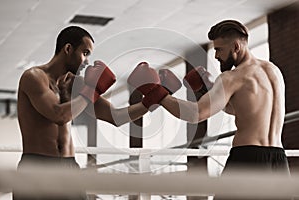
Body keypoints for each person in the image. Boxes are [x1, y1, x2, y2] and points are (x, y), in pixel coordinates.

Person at [15, 26, 181, 200]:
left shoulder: (76, 85)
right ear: (68, 49)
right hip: (37, 166)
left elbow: (116, 116)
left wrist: (155, 98)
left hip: (69, 166)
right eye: (85, 53)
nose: (87, 62)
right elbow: (59, 115)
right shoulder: (33, 77)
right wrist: (91, 90)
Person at [128, 20, 290, 175]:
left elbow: (195, 114)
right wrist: (210, 88)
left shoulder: (232, 77)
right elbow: (241, 110)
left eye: (219, 49)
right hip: (279, 161)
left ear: (236, 46)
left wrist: (157, 92)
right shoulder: (273, 71)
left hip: (248, 159)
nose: (216, 56)